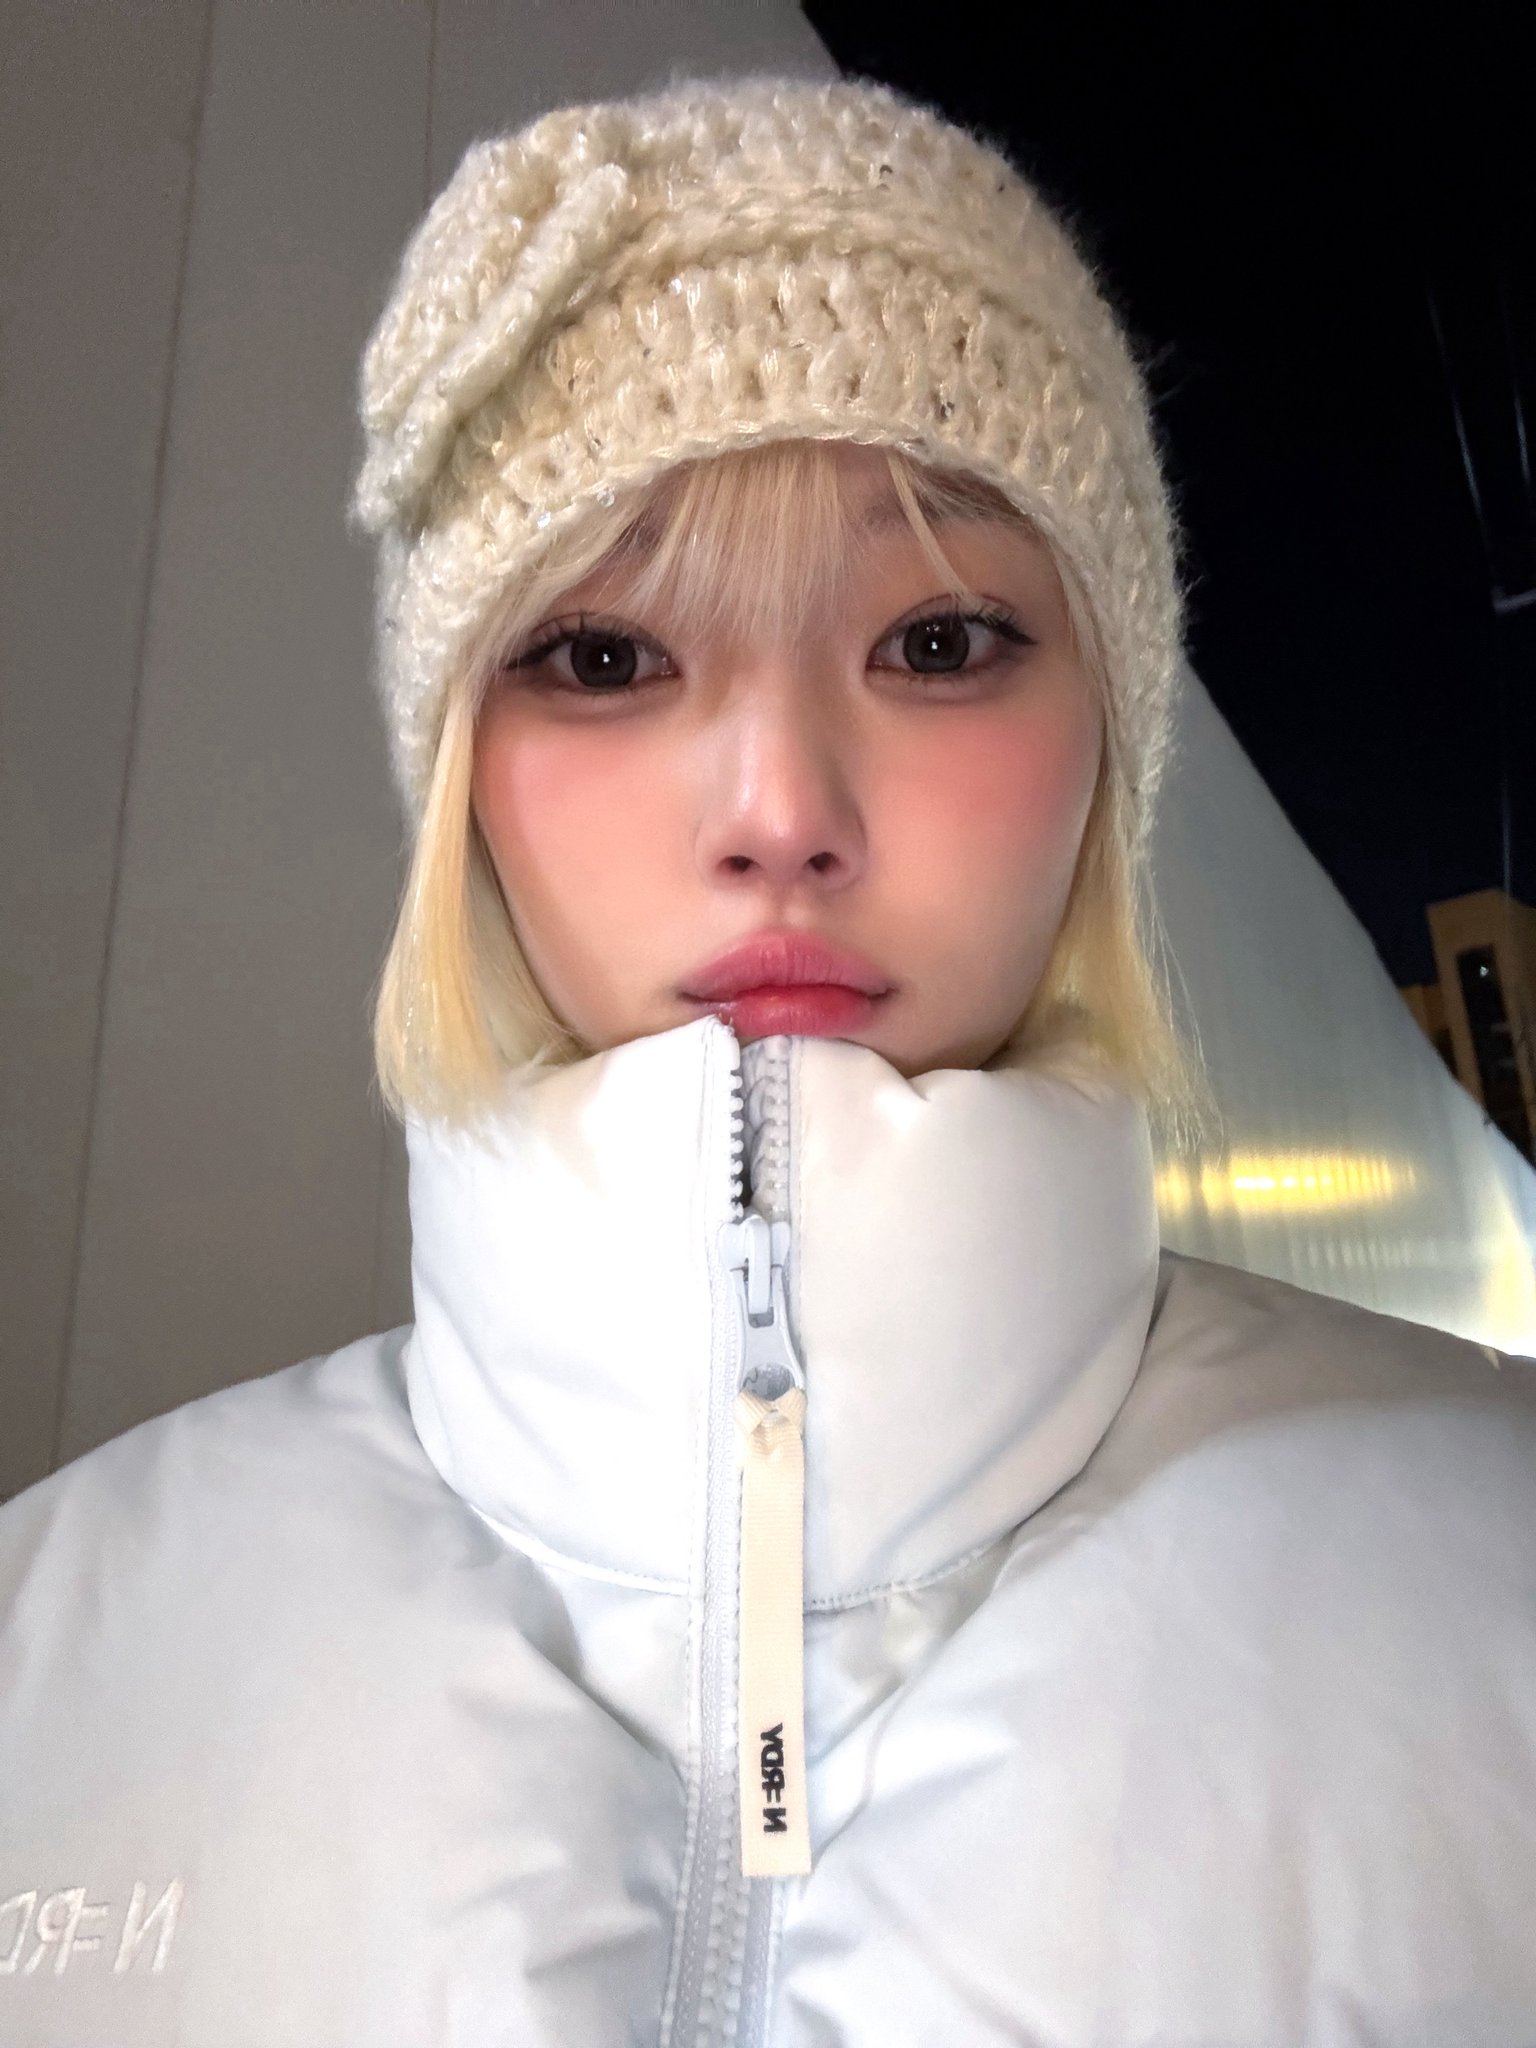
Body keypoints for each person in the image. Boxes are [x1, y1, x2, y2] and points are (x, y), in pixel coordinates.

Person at [2, 70, 1534, 2048]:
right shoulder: (46, 1648)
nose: (782, 812)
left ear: (1110, 733)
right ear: (456, 770)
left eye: (940, 643)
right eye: (607, 657)